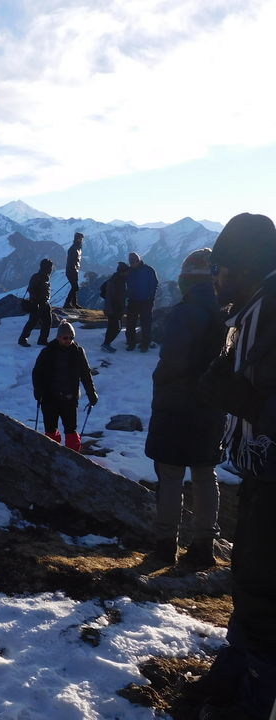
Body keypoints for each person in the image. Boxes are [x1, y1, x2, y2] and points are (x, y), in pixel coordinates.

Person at [196, 213, 276, 720]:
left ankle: (257, 689)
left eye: (221, 267)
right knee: (250, 567)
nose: (216, 277)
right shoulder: (252, 312)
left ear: (243, 267)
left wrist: (233, 394)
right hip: (263, 469)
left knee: (265, 575)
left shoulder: (269, 314)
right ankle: (241, 655)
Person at [144, 249, 227, 566]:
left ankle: (166, 545)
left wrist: (163, 383)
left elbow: (173, 361)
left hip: (177, 405)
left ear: (187, 279)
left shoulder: (186, 312)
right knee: (206, 475)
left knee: (170, 474)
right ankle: (204, 545)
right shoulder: (228, 312)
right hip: (212, 406)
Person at [31, 321, 98, 452]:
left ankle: (70, 455)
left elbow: (85, 374)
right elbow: (37, 373)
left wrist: (92, 394)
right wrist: (38, 390)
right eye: (65, 337)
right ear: (58, 337)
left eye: (71, 338)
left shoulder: (78, 352)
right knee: (51, 429)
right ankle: (52, 453)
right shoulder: (47, 352)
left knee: (70, 430)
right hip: (50, 397)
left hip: (70, 398)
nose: (69, 340)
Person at [125, 251, 159, 352]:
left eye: (134, 262)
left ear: (138, 261)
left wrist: (150, 297)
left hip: (146, 301)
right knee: (131, 323)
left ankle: (145, 344)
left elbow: (154, 285)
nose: (132, 264)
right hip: (133, 300)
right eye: (131, 263)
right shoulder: (130, 270)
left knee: (145, 323)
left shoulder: (148, 270)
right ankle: (131, 343)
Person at [18, 258, 54, 347]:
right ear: (46, 267)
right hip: (37, 304)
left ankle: (42, 340)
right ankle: (23, 340)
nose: (51, 269)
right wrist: (37, 301)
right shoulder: (38, 277)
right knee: (32, 322)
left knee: (46, 322)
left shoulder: (42, 277)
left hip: (44, 304)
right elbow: (31, 290)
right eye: (50, 267)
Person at [100, 262, 129, 352]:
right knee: (116, 327)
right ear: (123, 272)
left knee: (113, 327)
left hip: (112, 308)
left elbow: (103, 290)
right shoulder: (117, 281)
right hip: (114, 309)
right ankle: (106, 344)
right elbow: (117, 296)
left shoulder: (114, 279)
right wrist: (120, 306)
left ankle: (106, 344)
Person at [64, 232, 84, 308]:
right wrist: (74, 270)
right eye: (80, 238)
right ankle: (67, 303)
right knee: (75, 287)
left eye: (82, 239)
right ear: (77, 239)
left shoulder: (77, 248)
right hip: (72, 271)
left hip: (74, 271)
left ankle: (74, 303)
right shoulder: (73, 249)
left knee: (74, 287)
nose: (81, 240)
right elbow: (71, 261)